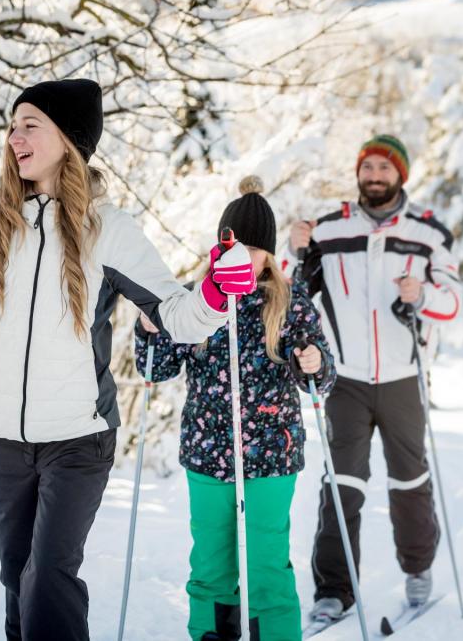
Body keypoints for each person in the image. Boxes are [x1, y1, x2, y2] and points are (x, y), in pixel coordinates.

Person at [0, 78, 255, 641]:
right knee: (19, 577)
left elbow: (177, 314)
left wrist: (215, 293)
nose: (14, 137)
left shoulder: (108, 229)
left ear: (68, 138)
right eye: (12, 126)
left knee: (51, 575)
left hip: (79, 437)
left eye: (29, 124)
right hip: (1, 438)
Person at [137, 176, 336, 641]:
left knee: (267, 561)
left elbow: (321, 378)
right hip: (208, 451)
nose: (244, 256)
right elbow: (159, 367)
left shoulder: (288, 302)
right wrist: (149, 330)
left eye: (254, 248)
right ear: (220, 247)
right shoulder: (193, 297)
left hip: (271, 451)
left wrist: (314, 362)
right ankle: (213, 634)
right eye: (235, 245)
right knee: (210, 561)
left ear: (267, 253)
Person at [281, 135, 462, 620]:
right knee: (342, 483)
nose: (375, 175)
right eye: (369, 167)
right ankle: (334, 590)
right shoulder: (328, 228)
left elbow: (453, 301)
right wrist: (294, 248)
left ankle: (419, 570)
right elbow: (287, 287)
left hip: (403, 377)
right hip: (346, 380)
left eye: (385, 168)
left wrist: (421, 293)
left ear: (401, 175)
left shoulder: (428, 234)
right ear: (358, 173)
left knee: (410, 480)